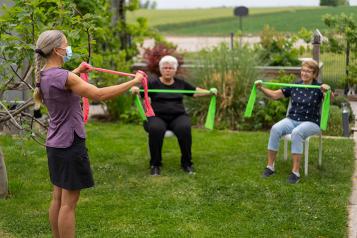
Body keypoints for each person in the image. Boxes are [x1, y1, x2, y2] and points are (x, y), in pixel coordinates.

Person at [34, 30, 145, 238]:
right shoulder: (63, 76)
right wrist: (134, 81)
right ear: (57, 50)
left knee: (57, 198)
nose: (68, 48)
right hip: (70, 144)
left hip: (55, 145)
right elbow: (99, 94)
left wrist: (76, 70)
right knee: (68, 204)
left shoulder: (44, 75)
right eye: (66, 45)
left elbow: (64, 83)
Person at [131, 55, 214, 176]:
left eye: (170, 68)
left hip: (178, 116)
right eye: (165, 68)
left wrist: (209, 92)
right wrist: (135, 90)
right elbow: (140, 94)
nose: (168, 70)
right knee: (155, 129)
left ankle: (187, 164)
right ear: (161, 69)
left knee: (184, 128)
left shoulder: (181, 83)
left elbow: (194, 91)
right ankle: (155, 164)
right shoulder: (152, 83)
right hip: (157, 116)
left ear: (175, 70)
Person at [257, 59, 332, 184]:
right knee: (275, 128)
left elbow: (331, 99)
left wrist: (327, 90)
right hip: (292, 119)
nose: (304, 73)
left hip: (311, 122)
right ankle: (270, 167)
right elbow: (275, 95)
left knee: (297, 132)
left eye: (308, 71)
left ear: (314, 74)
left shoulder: (319, 88)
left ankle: (295, 172)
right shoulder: (295, 85)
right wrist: (261, 88)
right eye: (303, 70)